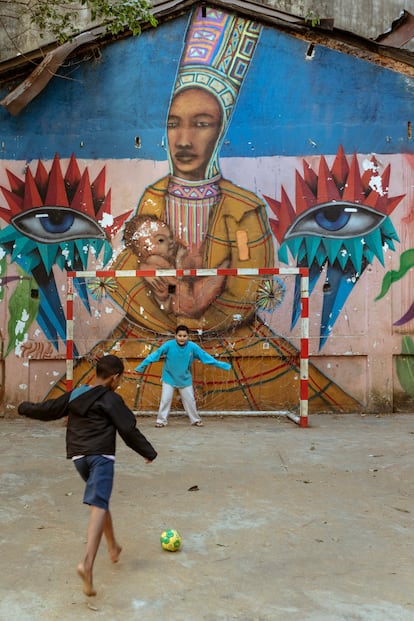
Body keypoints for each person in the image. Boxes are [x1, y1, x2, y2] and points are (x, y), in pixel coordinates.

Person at [18, 354, 157, 598]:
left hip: (79, 458)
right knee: (98, 504)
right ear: (115, 377)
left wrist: (24, 408)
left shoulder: (77, 393)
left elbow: (48, 410)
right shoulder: (112, 399)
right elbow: (128, 429)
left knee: (99, 503)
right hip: (101, 457)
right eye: (120, 378)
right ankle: (87, 564)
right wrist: (148, 452)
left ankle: (113, 546)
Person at [135, 324, 231, 427]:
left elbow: (206, 357)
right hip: (169, 377)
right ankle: (161, 421)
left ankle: (195, 420)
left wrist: (223, 365)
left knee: (190, 401)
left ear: (188, 337)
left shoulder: (192, 347)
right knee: (165, 400)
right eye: (179, 335)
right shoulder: (168, 345)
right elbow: (155, 355)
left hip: (185, 379)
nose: (182, 338)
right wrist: (141, 366)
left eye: (184, 336)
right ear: (175, 336)